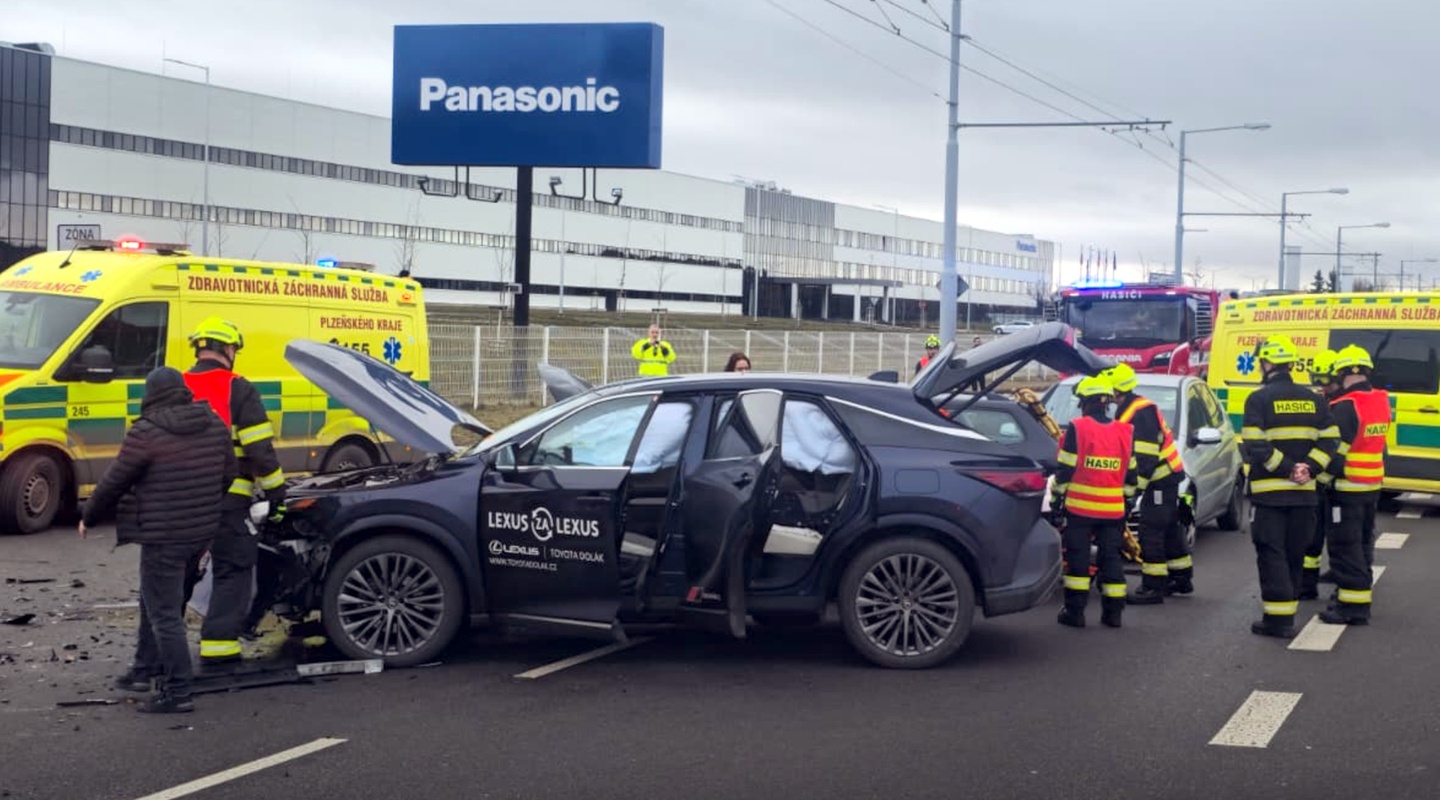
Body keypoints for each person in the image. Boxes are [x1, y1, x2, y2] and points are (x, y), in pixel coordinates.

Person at [80, 367, 236, 713]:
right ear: (183, 391)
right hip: (201, 534)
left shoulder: (147, 431)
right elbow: (229, 474)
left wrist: (88, 516)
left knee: (164, 613)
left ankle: (178, 692)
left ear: (150, 395)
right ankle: (144, 669)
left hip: (164, 538)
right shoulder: (214, 424)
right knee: (160, 603)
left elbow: (114, 481)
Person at [182, 317, 286, 668]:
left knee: (176, 575)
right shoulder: (238, 388)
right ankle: (219, 647)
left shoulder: (176, 386)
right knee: (233, 567)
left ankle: (159, 653)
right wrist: (277, 494)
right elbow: (259, 450)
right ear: (228, 349)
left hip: (178, 501)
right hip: (227, 501)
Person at [1241, 335, 1340, 639]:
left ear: (1268, 364)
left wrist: (1287, 469)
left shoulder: (1258, 399)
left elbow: (1254, 444)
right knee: (1295, 553)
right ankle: (1287, 612)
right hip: (1304, 495)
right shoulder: (1315, 400)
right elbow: (1331, 440)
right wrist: (1308, 468)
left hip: (1269, 496)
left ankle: (1278, 620)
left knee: (1272, 553)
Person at [1050, 374, 1139, 629]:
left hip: (1080, 510)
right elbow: (1131, 475)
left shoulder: (1078, 428)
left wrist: (1056, 499)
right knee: (1111, 559)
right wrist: (1127, 502)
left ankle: (1075, 613)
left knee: (1078, 560)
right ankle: (1113, 614)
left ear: (1086, 403)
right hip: (1113, 512)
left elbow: (1065, 470)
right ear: (1107, 403)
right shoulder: (1125, 431)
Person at [1103, 363, 1192, 605]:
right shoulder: (1135, 408)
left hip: (1159, 480)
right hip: (1164, 478)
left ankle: (1153, 587)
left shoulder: (1138, 413)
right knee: (1169, 528)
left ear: (1116, 391)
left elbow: (1145, 459)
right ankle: (1181, 578)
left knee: (1151, 530)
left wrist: (1133, 492)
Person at [1316, 344, 1389, 625]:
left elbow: (1335, 455)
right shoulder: (1380, 399)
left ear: (1342, 373)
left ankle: (1353, 608)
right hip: (1371, 485)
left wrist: (1319, 483)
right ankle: (1352, 598)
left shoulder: (1345, 405)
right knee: (1362, 544)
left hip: (1346, 488)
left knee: (1345, 548)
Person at [1300, 348, 1340, 599]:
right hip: (1323, 482)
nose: (1322, 386)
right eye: (1318, 380)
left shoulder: (1341, 406)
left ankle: (1339, 581)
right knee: (1312, 537)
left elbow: (1335, 447)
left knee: (1340, 537)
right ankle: (1308, 584)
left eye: (1325, 380)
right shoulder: (1324, 402)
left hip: (1335, 483)